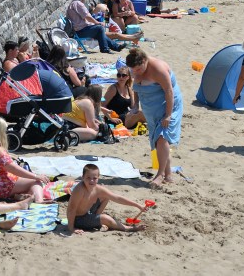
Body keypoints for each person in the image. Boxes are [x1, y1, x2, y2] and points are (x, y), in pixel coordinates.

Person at [126, 48, 183, 187]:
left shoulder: (158, 69)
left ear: (145, 61)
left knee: (162, 137)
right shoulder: (134, 69)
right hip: (151, 108)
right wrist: (135, 106)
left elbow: (169, 92)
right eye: (134, 70)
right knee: (158, 141)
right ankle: (168, 175)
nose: (136, 72)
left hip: (168, 105)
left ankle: (160, 174)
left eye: (139, 69)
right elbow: (136, 87)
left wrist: (168, 115)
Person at [0, 117, 49, 203]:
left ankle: (19, 196)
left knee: (26, 183)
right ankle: (39, 202)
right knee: (36, 182)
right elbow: (13, 169)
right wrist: (36, 176)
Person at [66, 164, 147, 234]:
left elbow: (117, 198)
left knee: (106, 196)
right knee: (105, 218)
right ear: (83, 177)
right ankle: (129, 228)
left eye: (94, 178)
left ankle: (97, 220)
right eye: (88, 178)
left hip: (88, 212)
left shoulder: (97, 188)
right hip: (78, 220)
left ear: (98, 178)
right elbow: (72, 209)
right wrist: (71, 228)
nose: (91, 181)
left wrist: (138, 205)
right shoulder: (80, 189)